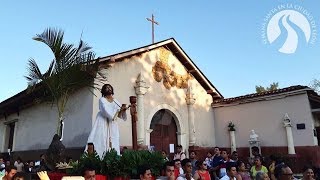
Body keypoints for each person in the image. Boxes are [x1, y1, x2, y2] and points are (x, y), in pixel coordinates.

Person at [86, 84, 128, 157]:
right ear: (103, 90)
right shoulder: (102, 100)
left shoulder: (115, 101)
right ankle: (99, 157)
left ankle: (114, 158)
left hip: (113, 124)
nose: (108, 89)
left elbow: (119, 115)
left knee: (114, 139)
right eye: (106, 88)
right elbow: (105, 110)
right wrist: (116, 112)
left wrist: (123, 110)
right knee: (101, 138)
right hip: (102, 121)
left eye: (110, 88)